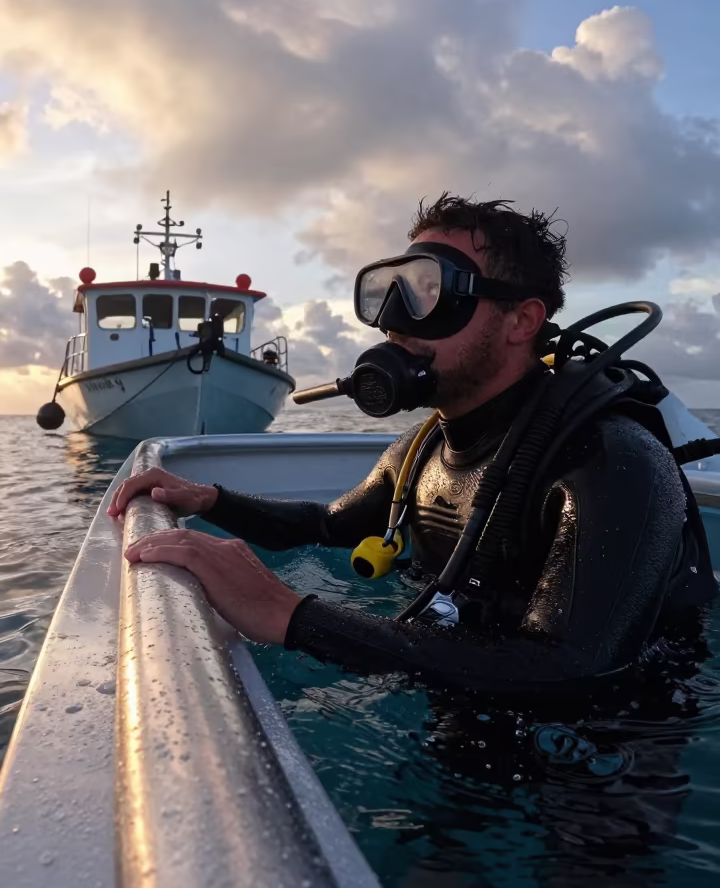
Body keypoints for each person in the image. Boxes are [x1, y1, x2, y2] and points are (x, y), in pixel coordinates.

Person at [110, 195, 716, 694]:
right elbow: (325, 526)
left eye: (431, 289)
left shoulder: (612, 463)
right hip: (460, 710)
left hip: (603, 768)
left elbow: (576, 668)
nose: (397, 320)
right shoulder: (419, 452)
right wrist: (209, 498)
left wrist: (290, 615)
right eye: (390, 289)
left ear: (521, 321)